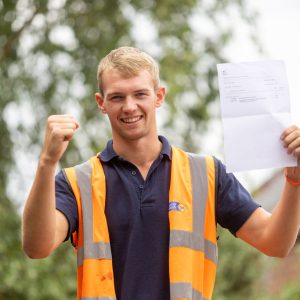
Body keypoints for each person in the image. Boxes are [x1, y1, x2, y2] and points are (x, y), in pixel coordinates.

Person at [22, 46, 300, 300]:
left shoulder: (206, 174)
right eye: (117, 96)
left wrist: (296, 179)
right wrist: (47, 162)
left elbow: (275, 243)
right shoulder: (76, 182)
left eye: (140, 94)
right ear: (101, 102)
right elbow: (37, 247)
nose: (129, 106)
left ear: (159, 96)